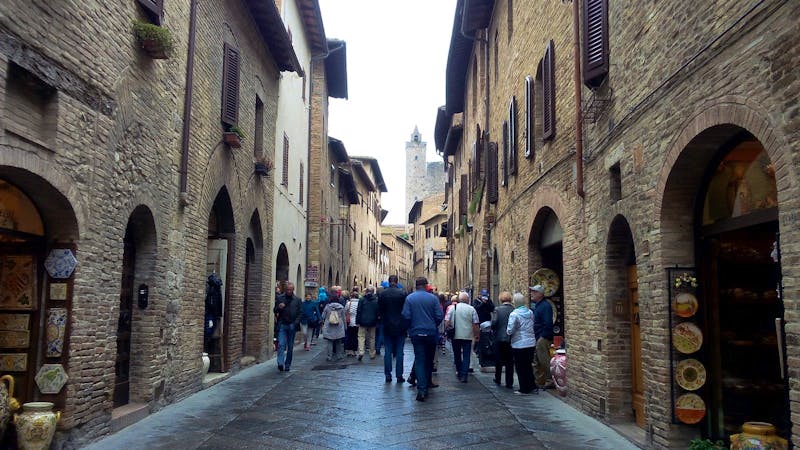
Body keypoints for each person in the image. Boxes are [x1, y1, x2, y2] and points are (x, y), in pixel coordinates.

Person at [402, 277, 443, 401]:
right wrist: (433, 325)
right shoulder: (433, 298)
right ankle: (427, 383)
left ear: (416, 286)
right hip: (430, 333)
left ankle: (421, 389)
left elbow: (406, 315)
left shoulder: (409, 298)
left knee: (420, 360)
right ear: (426, 285)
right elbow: (439, 315)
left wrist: (410, 328)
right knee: (429, 360)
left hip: (416, 333)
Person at [445, 292, 479, 383]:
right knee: (466, 355)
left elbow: (447, 321)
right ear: (467, 300)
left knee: (457, 354)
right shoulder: (472, 309)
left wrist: (448, 330)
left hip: (456, 335)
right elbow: (475, 323)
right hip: (468, 335)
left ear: (459, 299)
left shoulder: (453, 308)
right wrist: (476, 335)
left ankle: (459, 371)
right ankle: (464, 374)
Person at [379, 275, 407, 383]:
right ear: (397, 282)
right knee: (400, 352)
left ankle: (388, 375)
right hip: (400, 326)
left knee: (388, 351)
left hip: (387, 326)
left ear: (389, 281)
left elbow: (380, 310)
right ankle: (399, 375)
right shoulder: (402, 294)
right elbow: (405, 311)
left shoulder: (383, 294)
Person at [507, 291, 537, 394]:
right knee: (528, 365)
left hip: (519, 343)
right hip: (531, 342)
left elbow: (510, 330)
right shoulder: (530, 312)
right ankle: (532, 386)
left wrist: (509, 332)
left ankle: (524, 388)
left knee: (520, 367)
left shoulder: (514, 314)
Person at [273, 282, 302, 372]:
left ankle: (288, 364)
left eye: (290, 290)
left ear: (293, 290)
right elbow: (275, 310)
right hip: (282, 324)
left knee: (290, 346)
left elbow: (300, 313)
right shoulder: (280, 298)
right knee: (281, 344)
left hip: (292, 325)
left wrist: (296, 323)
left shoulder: (297, 300)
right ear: (285, 290)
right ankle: (280, 363)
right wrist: (279, 307)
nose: (289, 291)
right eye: (287, 290)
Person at [530, 284, 555, 389]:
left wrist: (543, 337)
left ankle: (550, 381)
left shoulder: (545, 306)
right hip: (538, 336)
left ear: (540, 294)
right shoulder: (539, 305)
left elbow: (548, 323)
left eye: (534, 292)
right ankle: (539, 381)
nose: (531, 293)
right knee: (536, 360)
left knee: (544, 360)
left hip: (543, 337)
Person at [491, 291, 515, 389]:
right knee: (510, 361)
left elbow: (493, 323)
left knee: (498, 360)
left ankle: (498, 378)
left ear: (501, 299)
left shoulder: (497, 310)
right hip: (511, 338)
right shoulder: (514, 310)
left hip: (499, 338)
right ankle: (509, 382)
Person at [356, 285, 379, 360]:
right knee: (372, 337)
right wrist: (377, 320)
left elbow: (359, 311)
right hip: (373, 321)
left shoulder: (362, 299)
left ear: (366, 292)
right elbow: (378, 311)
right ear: (373, 292)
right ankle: (372, 353)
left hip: (362, 321)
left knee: (361, 336)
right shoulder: (376, 300)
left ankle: (361, 351)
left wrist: (357, 321)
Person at [344, 291, 360, 356]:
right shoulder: (359, 303)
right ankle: (354, 350)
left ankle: (349, 350)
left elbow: (345, 311)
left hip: (349, 321)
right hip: (357, 322)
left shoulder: (348, 303)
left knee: (349, 336)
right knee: (355, 336)